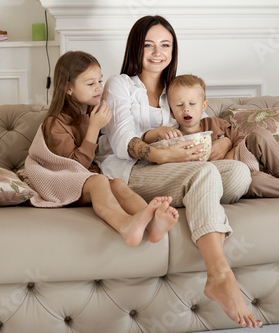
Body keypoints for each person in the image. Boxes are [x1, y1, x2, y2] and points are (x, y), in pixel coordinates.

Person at [98, 16, 262, 328]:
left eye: (165, 45)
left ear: (173, 50)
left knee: (238, 173)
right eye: (148, 45)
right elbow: (121, 142)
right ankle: (219, 274)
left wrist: (221, 142)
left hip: (175, 170)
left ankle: (192, 196)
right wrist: (158, 147)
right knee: (204, 175)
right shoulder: (120, 85)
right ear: (136, 47)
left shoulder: (173, 91)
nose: (157, 52)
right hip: (131, 172)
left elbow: (199, 124)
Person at [22, 50, 179, 248]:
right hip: (56, 179)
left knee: (118, 184)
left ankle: (153, 221)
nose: (98, 88)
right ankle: (124, 225)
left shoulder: (91, 111)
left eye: (100, 81)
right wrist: (94, 128)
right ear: (68, 87)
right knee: (98, 182)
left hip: (81, 180)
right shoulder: (56, 123)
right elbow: (73, 167)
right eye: (90, 83)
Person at [161, 74, 279, 198]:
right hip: (231, 178)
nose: (186, 109)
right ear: (171, 110)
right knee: (254, 183)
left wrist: (228, 144)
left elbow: (241, 139)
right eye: (179, 105)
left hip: (241, 157)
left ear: (204, 105)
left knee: (259, 135)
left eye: (192, 103)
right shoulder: (175, 138)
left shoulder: (215, 124)